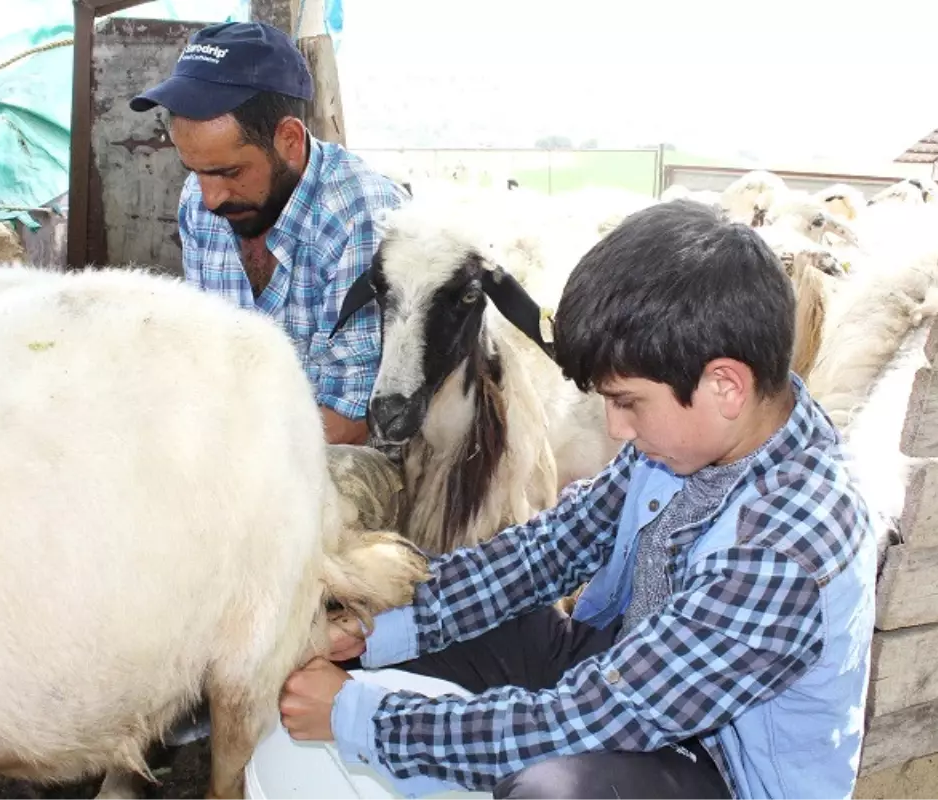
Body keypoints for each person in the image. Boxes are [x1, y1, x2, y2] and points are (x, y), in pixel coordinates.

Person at [277, 200, 878, 800]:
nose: (616, 430)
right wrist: (374, 625)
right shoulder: (688, 444)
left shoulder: (788, 546)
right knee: (455, 628)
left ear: (724, 385)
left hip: (717, 768)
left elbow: (600, 716)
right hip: (634, 668)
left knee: (556, 792)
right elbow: (550, 549)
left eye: (628, 402)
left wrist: (363, 721)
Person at [130, 21, 409, 445]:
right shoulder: (200, 200)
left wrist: (221, 457)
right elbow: (206, 360)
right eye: (196, 172)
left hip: (332, 456)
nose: (209, 199)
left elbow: (352, 417)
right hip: (241, 440)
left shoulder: (361, 218)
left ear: (290, 141)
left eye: (230, 172)